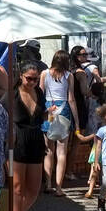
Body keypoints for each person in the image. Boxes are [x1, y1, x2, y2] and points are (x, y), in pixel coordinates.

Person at [9, 63, 47, 211]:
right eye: (29, 78)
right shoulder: (12, 94)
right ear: (20, 76)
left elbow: (41, 116)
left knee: (33, 189)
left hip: (36, 139)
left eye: (35, 78)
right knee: (17, 187)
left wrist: (49, 115)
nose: (32, 82)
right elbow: (3, 116)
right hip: (18, 141)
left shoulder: (39, 92)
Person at [40, 51, 79, 197]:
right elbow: (71, 99)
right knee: (61, 151)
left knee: (48, 150)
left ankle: (48, 184)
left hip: (49, 109)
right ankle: (59, 187)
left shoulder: (44, 73)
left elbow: (40, 93)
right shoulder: (69, 76)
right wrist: (77, 120)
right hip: (63, 110)